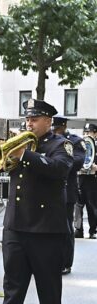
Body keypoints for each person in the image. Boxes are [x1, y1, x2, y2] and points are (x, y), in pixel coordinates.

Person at [0, 99, 73, 304]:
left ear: (48, 121)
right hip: (16, 222)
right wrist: (6, 155)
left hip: (45, 224)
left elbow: (59, 169)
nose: (29, 123)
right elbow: (0, 166)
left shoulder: (60, 144)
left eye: (34, 119)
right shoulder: (22, 143)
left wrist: (24, 154)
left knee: (47, 278)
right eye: (28, 119)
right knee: (13, 278)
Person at [51, 115, 85, 275]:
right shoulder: (47, 140)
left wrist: (59, 160)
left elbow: (78, 161)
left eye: (57, 128)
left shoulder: (75, 141)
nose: (55, 131)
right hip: (47, 190)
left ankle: (65, 262)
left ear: (63, 126)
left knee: (65, 228)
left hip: (66, 189)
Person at [74, 123, 97, 239]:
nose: (87, 134)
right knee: (78, 204)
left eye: (89, 132)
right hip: (80, 176)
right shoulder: (80, 145)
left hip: (92, 178)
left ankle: (93, 230)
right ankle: (78, 229)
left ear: (95, 133)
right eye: (85, 132)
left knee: (92, 204)